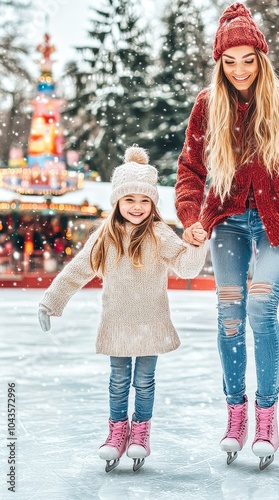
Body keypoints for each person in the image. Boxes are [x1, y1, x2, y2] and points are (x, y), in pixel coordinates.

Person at [175, 2, 279, 470]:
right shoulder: (206, 105)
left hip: (277, 223)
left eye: (248, 59)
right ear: (220, 62)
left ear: (261, 58)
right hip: (228, 225)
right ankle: (235, 414)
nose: (239, 70)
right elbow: (190, 169)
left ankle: (266, 415)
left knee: (261, 307)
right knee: (229, 314)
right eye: (229, 61)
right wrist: (189, 215)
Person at [38, 146, 207, 473]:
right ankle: (117, 432)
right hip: (117, 323)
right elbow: (77, 271)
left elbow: (186, 268)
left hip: (151, 322)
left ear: (153, 204)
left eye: (145, 200)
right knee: (118, 381)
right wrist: (51, 301)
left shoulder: (159, 233)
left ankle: (140, 432)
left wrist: (197, 245)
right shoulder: (106, 235)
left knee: (144, 382)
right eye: (129, 199)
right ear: (117, 201)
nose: (137, 207)